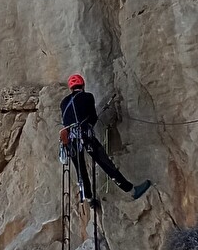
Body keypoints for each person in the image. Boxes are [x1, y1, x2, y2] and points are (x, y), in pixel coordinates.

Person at [60, 74, 151, 204]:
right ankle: (131, 191)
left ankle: (90, 198)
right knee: (105, 163)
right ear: (83, 85)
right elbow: (92, 118)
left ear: (70, 88)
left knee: (80, 169)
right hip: (86, 136)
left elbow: (66, 121)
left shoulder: (64, 102)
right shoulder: (87, 96)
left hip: (70, 140)